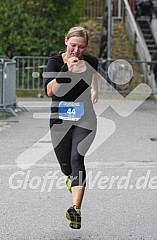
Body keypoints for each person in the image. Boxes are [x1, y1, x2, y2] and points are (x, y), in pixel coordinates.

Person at [44, 27, 98, 229]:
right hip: (60, 119)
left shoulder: (91, 61)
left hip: (85, 118)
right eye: (73, 45)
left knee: (77, 158)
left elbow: (93, 74)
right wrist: (66, 70)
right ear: (66, 41)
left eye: (81, 47)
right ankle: (71, 179)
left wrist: (95, 90)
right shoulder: (55, 62)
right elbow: (50, 91)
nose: (76, 50)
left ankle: (76, 210)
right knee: (66, 166)